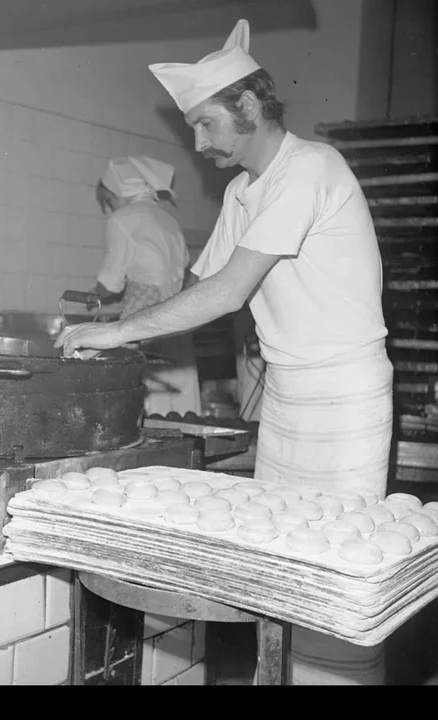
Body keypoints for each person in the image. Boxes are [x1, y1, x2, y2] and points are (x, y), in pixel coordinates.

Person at [56, 19, 393, 685]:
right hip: (290, 392)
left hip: (345, 394)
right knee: (276, 570)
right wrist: (118, 322)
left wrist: (117, 331)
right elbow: (201, 283)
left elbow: (229, 291)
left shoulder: (311, 168)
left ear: (246, 105)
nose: (199, 144)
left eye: (207, 125)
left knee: (337, 583)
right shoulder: (243, 193)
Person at [87, 155, 202, 417]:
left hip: (146, 324)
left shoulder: (122, 219)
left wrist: (92, 295)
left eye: (108, 201)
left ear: (116, 193)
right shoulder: (168, 220)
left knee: (146, 406)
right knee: (180, 409)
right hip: (180, 320)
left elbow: (110, 284)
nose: (109, 209)